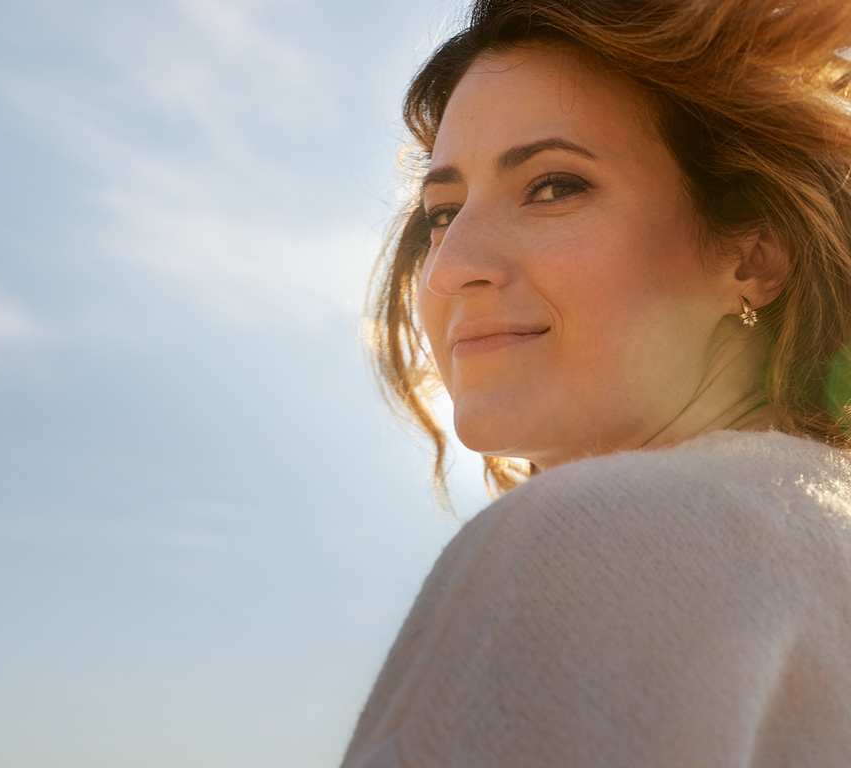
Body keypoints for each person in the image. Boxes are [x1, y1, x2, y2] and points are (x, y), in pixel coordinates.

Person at [342, 0, 851, 765]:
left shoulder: (588, 541)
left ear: (755, 256)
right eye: (442, 212)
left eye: (553, 187)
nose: (449, 268)